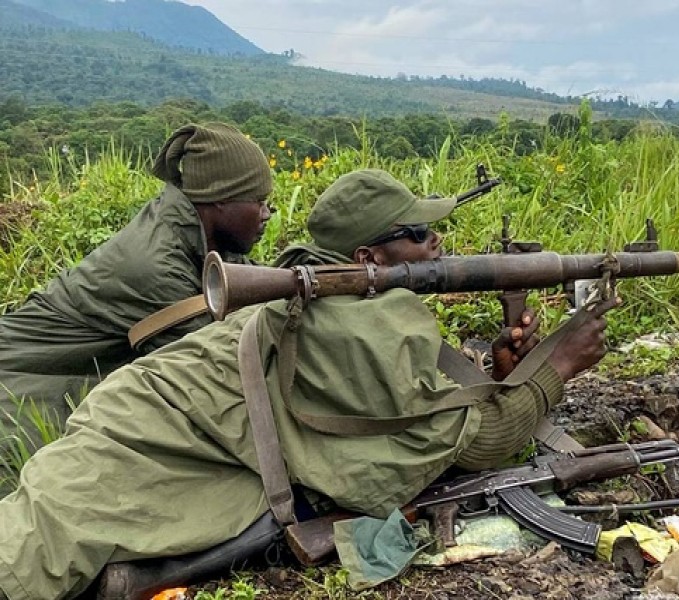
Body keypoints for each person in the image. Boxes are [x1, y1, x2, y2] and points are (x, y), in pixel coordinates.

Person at [0, 169, 618, 600]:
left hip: (140, 417)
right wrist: (559, 364)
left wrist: (496, 378)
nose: (438, 244)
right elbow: (470, 443)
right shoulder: (359, 330)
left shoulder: (320, 285)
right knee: (33, 554)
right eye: (420, 234)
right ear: (370, 258)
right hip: (142, 441)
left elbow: (405, 401)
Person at [0, 122, 273, 449]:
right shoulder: (159, 265)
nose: (267, 213)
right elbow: (221, 368)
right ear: (220, 199)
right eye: (258, 201)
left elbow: (253, 281)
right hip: (20, 380)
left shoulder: (195, 233)